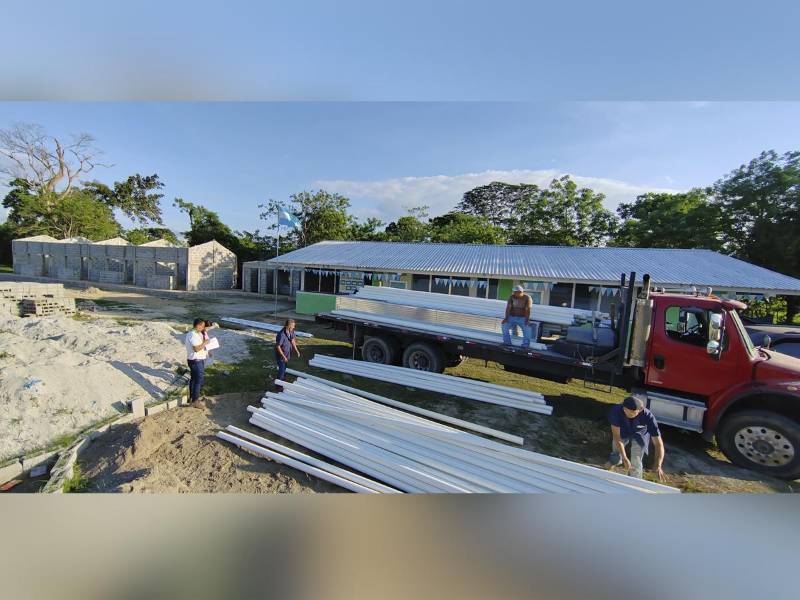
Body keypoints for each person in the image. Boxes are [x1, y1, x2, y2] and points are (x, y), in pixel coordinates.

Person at [607, 395, 666, 481]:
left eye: (635, 412)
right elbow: (617, 438)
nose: (633, 414)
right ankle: (608, 468)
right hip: (622, 431)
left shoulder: (648, 416)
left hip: (640, 433)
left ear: (640, 410)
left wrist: (658, 465)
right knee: (616, 456)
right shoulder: (615, 412)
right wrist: (624, 458)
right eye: (629, 411)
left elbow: (658, 444)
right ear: (624, 408)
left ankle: (635, 482)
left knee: (636, 460)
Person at [185, 317, 209, 407]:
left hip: (195, 360)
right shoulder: (193, 335)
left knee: (194, 380)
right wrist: (205, 343)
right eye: (202, 326)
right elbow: (196, 349)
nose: (203, 328)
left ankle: (191, 398)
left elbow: (199, 345)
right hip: (196, 361)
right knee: (198, 381)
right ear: (198, 325)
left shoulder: (195, 333)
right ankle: (195, 401)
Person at [275, 319, 301, 390]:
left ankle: (281, 381)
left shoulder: (291, 331)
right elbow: (278, 346)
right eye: (293, 326)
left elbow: (292, 340)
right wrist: (283, 356)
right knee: (282, 370)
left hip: (287, 354)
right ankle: (279, 386)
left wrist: (296, 350)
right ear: (289, 326)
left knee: (284, 369)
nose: (294, 327)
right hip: (281, 356)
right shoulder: (281, 334)